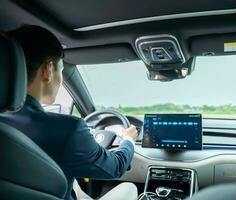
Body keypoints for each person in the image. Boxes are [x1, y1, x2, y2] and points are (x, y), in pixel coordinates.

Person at [0, 25, 138, 200]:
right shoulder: (68, 129)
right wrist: (128, 141)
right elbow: (115, 167)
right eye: (62, 70)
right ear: (48, 70)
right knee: (129, 188)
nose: (60, 78)